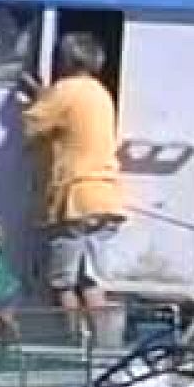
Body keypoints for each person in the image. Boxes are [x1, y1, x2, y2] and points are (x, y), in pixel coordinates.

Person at [17, 32, 126, 341]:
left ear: (66, 59)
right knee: (90, 282)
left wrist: (37, 97)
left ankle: (74, 348)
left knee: (62, 284)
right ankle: (105, 351)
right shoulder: (100, 93)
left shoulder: (64, 90)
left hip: (74, 200)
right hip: (106, 199)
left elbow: (31, 126)